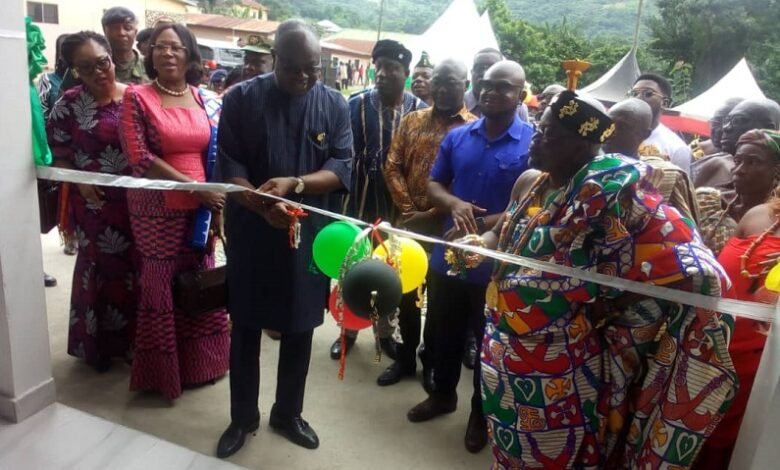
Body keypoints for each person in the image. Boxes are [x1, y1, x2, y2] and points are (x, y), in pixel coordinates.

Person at [473, 89, 736, 468]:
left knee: (552, 454)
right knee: (509, 447)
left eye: (549, 135)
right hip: (501, 346)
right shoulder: (535, 181)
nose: (536, 141)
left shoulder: (616, 193)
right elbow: (509, 236)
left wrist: (613, 302)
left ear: (583, 145)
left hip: (557, 362)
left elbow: (689, 263)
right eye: (538, 129)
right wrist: (479, 245)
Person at [214, 20, 353, 457]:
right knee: (247, 325)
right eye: (294, 67)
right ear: (275, 59)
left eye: (313, 68)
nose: (304, 77)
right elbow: (230, 167)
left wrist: (295, 184)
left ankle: (287, 413)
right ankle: (242, 417)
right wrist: (260, 206)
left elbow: (342, 166)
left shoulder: (334, 105)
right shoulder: (240, 99)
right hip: (252, 231)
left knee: (301, 326)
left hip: (309, 235)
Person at [407, 60, 534, 454]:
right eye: (485, 84)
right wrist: (455, 203)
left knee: (486, 344)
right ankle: (443, 395)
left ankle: (481, 416)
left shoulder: (532, 143)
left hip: (495, 268)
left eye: (503, 87)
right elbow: (433, 185)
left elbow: (532, 202)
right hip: (449, 255)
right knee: (442, 331)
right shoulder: (459, 137)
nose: (492, 91)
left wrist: (488, 226)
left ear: (521, 94)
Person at [119, 23, 229, 400]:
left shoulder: (202, 98)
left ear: (190, 55)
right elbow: (140, 158)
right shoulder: (137, 96)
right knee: (162, 282)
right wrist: (194, 189)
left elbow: (209, 154)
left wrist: (210, 199)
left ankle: (203, 365)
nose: (167, 53)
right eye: (160, 47)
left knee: (199, 280)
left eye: (176, 47)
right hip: (157, 208)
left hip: (202, 208)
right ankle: (162, 375)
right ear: (149, 55)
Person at [381, 59, 477, 389]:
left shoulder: (473, 129)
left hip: (446, 230)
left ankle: (430, 361)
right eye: (437, 81)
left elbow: (465, 186)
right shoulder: (412, 120)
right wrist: (410, 213)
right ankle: (405, 357)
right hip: (407, 226)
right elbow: (392, 167)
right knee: (405, 292)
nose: (441, 88)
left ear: (465, 84)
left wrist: (431, 216)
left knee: (439, 301)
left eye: (450, 82)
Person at [47, 31, 136, 373]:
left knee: (134, 271)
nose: (99, 72)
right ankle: (97, 347)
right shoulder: (68, 104)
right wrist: (81, 184)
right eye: (87, 67)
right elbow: (59, 154)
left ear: (112, 59)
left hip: (136, 205)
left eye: (103, 62)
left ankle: (133, 345)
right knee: (97, 272)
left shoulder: (136, 98)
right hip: (94, 207)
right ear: (75, 71)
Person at [332, 39, 426, 361]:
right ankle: (347, 330)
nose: (384, 74)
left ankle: (384, 334)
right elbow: (342, 155)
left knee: (391, 270)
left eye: (393, 68)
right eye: (379, 67)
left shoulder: (418, 111)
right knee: (354, 269)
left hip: (399, 209)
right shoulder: (354, 105)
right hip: (360, 205)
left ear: (407, 73)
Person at [694, 129, 780, 470]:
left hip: (765, 367)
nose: (740, 169)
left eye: (753, 162)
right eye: (738, 161)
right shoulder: (758, 217)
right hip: (718, 352)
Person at [695, 99, 780, 254]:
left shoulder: (773, 216)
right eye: (738, 161)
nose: (725, 128)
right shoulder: (709, 192)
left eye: (738, 121)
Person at [605, 98, 699, 223]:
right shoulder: (589, 166)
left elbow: (688, 231)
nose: (611, 132)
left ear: (645, 134)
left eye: (622, 127)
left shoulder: (669, 176)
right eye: (608, 124)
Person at [630, 73, 693, 174]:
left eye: (648, 94)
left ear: (664, 103)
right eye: (634, 94)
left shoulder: (677, 148)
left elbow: (681, 187)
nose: (638, 98)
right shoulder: (617, 136)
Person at [464, 48, 529, 122]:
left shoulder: (518, 108)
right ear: (472, 72)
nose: (485, 73)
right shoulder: (459, 103)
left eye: (492, 68)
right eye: (479, 68)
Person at [691, 98, 745, 185]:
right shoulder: (693, 150)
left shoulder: (747, 157)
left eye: (726, 123)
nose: (719, 129)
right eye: (715, 122)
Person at [101, 7, 147, 85]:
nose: (121, 33)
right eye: (115, 28)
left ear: (135, 32)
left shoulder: (150, 65)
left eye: (127, 28)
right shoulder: (98, 67)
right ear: (105, 32)